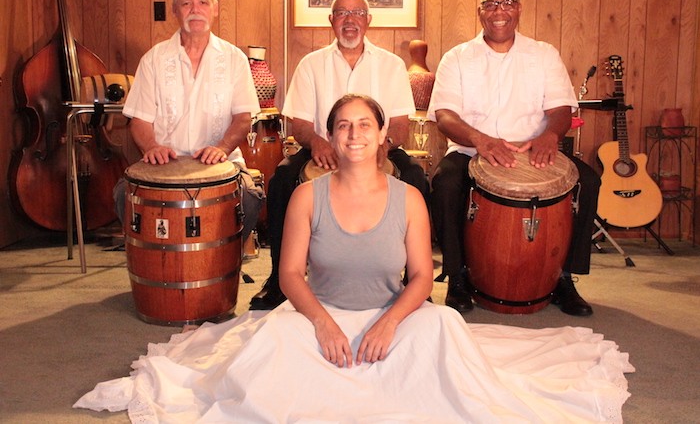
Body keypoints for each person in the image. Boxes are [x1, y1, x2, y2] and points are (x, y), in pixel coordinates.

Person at [75, 94, 632, 422]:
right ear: (332, 138)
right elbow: (290, 275)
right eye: (343, 126)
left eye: (365, 124)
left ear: (384, 134)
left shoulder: (410, 197)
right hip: (323, 315)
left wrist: (390, 323)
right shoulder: (306, 196)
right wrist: (321, 324)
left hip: (394, 319)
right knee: (270, 338)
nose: (354, 133)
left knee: (441, 324)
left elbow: (419, 279)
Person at [428, 0, 601, 316]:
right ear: (480, 12)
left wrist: (549, 137)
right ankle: (457, 277)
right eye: (491, 4)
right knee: (445, 184)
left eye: (507, 3)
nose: (499, 11)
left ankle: (564, 277)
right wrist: (480, 140)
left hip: (534, 153)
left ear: (519, 8)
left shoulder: (543, 54)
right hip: (471, 151)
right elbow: (445, 115)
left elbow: (561, 109)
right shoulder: (458, 58)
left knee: (588, 181)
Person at [250, 0, 429, 310]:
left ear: (368, 21)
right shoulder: (311, 64)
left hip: (378, 146)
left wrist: (383, 145)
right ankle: (279, 278)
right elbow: (299, 125)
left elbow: (400, 124)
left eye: (358, 13)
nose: (350, 20)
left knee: (416, 176)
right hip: (325, 145)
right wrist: (318, 142)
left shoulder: (391, 65)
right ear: (332, 21)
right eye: (342, 14)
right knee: (282, 176)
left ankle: (414, 280)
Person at [113, 0, 262, 244]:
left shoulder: (234, 59)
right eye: (186, 3)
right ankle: (155, 277)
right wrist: (151, 147)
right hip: (164, 165)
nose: (195, 10)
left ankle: (221, 272)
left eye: (203, 2)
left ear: (215, 8)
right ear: (174, 10)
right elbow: (140, 121)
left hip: (222, 162)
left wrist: (222, 147)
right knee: (123, 194)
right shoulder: (154, 60)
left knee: (250, 199)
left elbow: (243, 119)